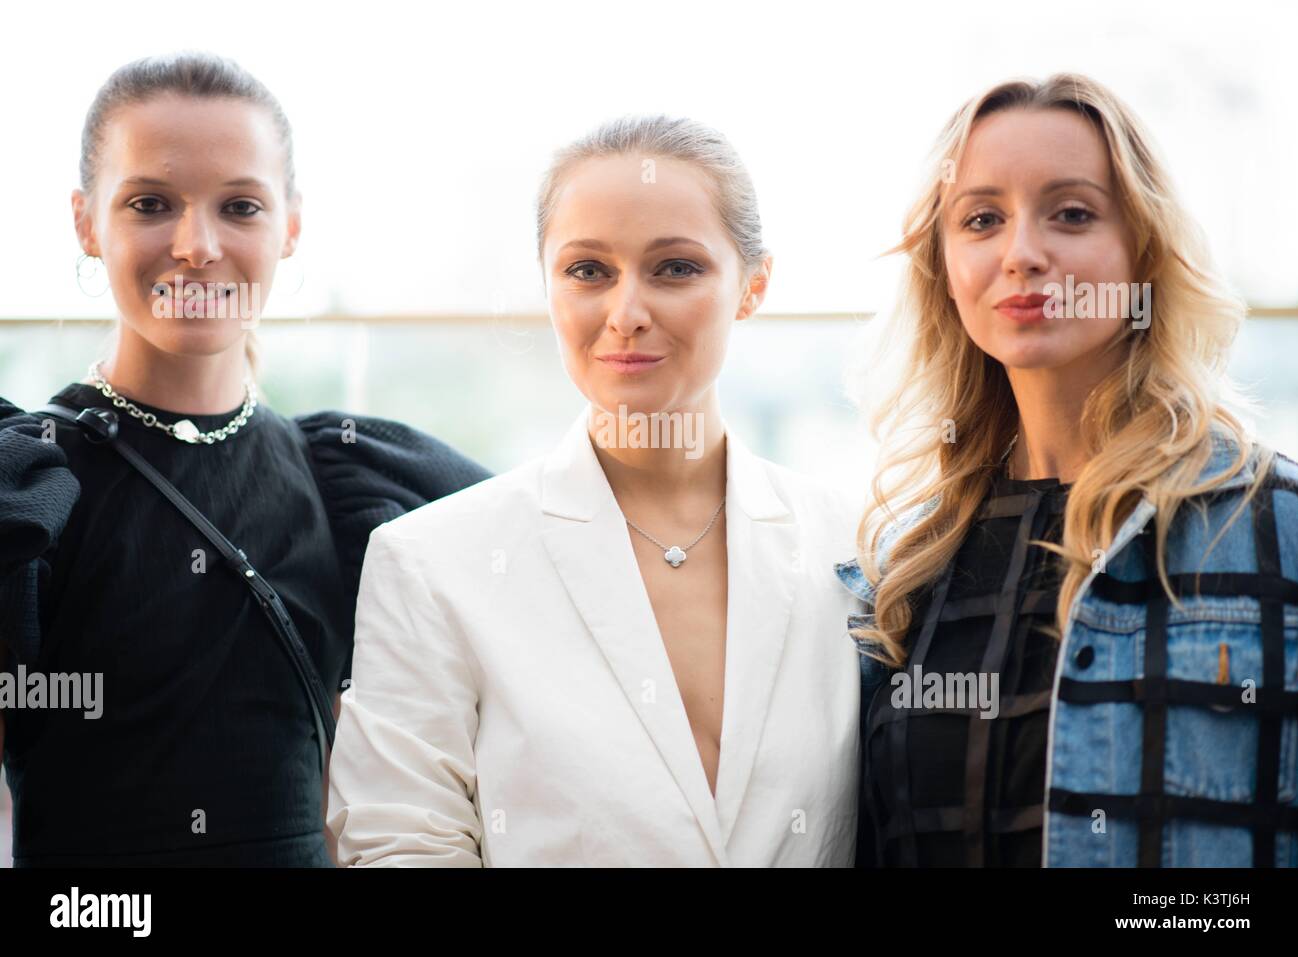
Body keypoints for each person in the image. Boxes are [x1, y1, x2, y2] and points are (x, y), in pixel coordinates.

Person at [327, 115, 861, 866]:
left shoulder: (855, 544)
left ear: (754, 285)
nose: (627, 313)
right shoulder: (431, 563)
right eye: (588, 271)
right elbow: (400, 843)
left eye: (675, 268)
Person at [0, 52, 489, 867]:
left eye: (240, 207)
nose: (196, 246)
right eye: (151, 204)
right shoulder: (30, 493)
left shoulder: (350, 487)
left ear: (290, 225)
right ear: (86, 221)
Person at [837, 73, 1298, 867]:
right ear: (945, 267)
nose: (1022, 253)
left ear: (1145, 252)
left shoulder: (1275, 527)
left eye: (1073, 214)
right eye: (982, 219)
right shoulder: (901, 573)